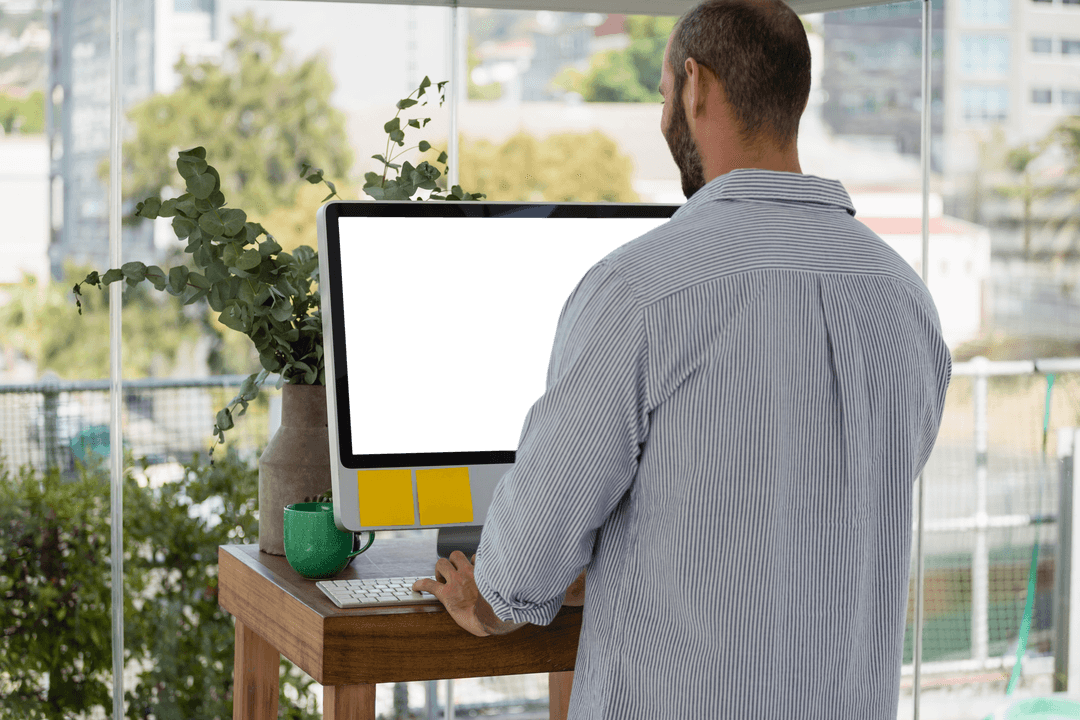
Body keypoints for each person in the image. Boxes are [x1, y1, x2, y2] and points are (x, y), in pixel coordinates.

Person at [414, 0, 953, 717]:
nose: (666, 111)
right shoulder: (905, 300)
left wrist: (487, 600)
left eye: (665, 94)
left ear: (696, 86)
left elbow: (524, 568)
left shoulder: (639, 290)